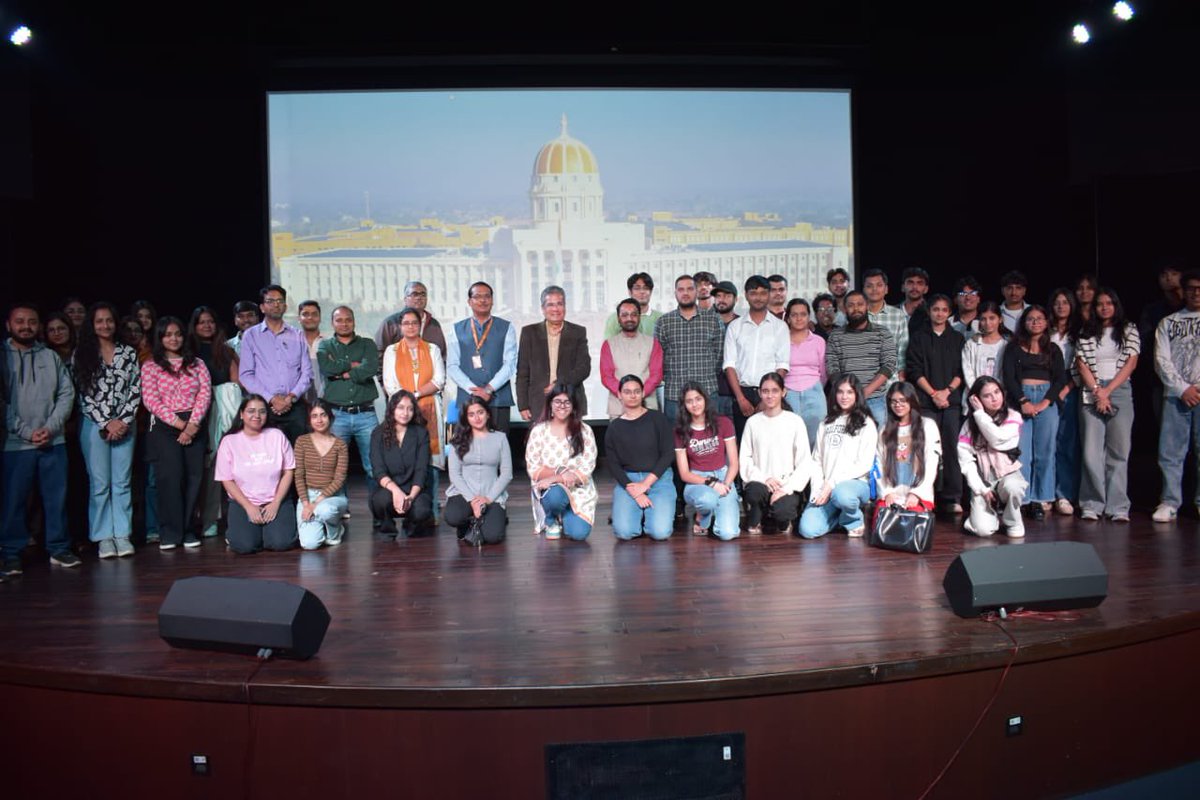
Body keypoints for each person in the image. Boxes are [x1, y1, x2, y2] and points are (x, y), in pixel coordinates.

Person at [2, 302, 79, 573]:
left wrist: (51, 427)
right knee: (15, 500)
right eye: (20, 321)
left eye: (32, 322)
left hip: (52, 439)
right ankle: (11, 553)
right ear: (9, 325)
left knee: (56, 498)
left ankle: (58, 548)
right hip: (15, 443)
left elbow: (66, 394)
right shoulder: (3, 356)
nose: (26, 326)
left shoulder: (50, 356)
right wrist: (25, 431)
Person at [73, 302, 141, 559]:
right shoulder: (82, 353)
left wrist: (122, 421)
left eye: (109, 320)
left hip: (125, 425)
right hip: (95, 426)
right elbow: (83, 393)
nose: (105, 325)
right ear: (92, 325)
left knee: (122, 482)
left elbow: (136, 389)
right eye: (99, 321)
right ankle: (103, 538)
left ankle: (122, 535)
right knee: (100, 485)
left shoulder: (129, 353)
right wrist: (106, 422)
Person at [141, 316, 212, 550]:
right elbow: (151, 400)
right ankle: (170, 532)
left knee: (194, 479)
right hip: (165, 427)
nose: (174, 338)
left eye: (178, 334)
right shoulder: (151, 365)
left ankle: (190, 529)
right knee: (170, 479)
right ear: (160, 338)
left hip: (195, 423)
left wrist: (192, 424)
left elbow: (204, 394)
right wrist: (179, 425)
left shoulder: (197, 364)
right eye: (168, 334)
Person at [1075, 287, 1140, 522]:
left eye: (1109, 303)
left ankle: (1118, 506)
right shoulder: (1086, 331)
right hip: (1092, 389)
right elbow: (1081, 363)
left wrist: (1107, 391)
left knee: (1118, 452)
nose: (1104, 307)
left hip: (1119, 390)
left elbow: (1131, 362)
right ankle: (1092, 503)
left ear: (1116, 305)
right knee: (1091, 452)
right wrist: (1097, 391)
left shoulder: (1129, 329)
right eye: (1100, 303)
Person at [1001, 305, 1066, 521]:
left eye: (1039, 319)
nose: (1035, 322)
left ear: (1046, 323)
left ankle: (1041, 499)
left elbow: (1060, 379)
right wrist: (1023, 401)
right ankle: (1024, 499)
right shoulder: (1013, 348)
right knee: (1023, 454)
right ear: (1024, 322)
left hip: (1046, 400)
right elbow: (1009, 377)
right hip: (1022, 399)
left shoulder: (1053, 349)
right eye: (1030, 319)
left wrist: (1045, 402)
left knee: (1045, 453)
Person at [382, 306, 447, 515]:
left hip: (429, 410)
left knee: (430, 461)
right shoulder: (391, 351)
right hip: (401, 412)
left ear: (420, 326)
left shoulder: (432, 349)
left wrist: (415, 395)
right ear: (400, 326)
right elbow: (390, 386)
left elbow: (439, 380)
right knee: (406, 458)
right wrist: (408, 402)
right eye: (406, 323)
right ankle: (405, 505)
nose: (411, 326)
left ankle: (433, 509)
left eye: (415, 323)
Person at [904, 293, 965, 513]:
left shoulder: (958, 338)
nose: (939, 313)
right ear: (929, 312)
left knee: (951, 448)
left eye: (944, 310)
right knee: (926, 449)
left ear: (949, 312)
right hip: (926, 401)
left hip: (951, 401)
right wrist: (933, 394)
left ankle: (952, 497)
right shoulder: (919, 337)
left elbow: (961, 371)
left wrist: (946, 392)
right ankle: (924, 495)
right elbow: (914, 369)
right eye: (935, 309)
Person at [798, 374, 878, 539]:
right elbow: (817, 460)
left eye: (849, 392)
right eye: (840, 392)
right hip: (826, 487)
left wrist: (832, 483)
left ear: (857, 395)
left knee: (842, 495)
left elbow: (864, 464)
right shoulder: (826, 422)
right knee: (808, 529)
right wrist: (818, 489)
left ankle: (854, 519)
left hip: (854, 486)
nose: (844, 396)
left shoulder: (866, 423)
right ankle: (841, 518)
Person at [215, 394, 297, 553]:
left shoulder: (277, 436)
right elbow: (226, 480)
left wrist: (276, 503)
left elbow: (288, 471)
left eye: (262, 411)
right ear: (241, 414)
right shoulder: (229, 441)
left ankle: (266, 531)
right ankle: (241, 531)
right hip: (243, 502)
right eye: (251, 411)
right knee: (245, 546)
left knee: (281, 543)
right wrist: (248, 506)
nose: (257, 416)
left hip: (276, 500)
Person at [188, 306, 241, 538]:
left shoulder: (226, 351)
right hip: (193, 412)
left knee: (214, 467)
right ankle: (191, 518)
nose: (207, 326)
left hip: (223, 411)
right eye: (201, 322)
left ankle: (211, 518)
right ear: (194, 325)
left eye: (210, 321)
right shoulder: (188, 350)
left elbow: (236, 382)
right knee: (195, 468)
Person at [1153, 269, 1200, 522]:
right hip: (1176, 395)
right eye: (1192, 288)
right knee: (1171, 452)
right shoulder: (1168, 323)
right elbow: (1161, 360)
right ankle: (1170, 501)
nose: (1196, 292)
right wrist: (1183, 388)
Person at [605, 375, 677, 541]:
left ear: (643, 393)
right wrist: (634, 491)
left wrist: (646, 484)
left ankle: (648, 514)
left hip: (658, 478)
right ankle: (639, 511)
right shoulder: (614, 428)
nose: (633, 395)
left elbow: (668, 454)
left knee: (660, 533)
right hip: (629, 481)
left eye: (637, 391)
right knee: (624, 532)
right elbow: (613, 464)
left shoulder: (657, 419)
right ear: (619, 394)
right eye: (627, 392)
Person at [238, 285, 312, 443]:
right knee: (266, 457)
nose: (276, 304)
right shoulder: (251, 336)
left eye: (280, 301)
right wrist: (272, 399)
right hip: (264, 406)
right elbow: (246, 375)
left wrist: (290, 398)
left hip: (294, 405)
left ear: (285, 306)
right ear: (262, 307)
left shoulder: (297, 335)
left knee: (297, 457)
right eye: (270, 301)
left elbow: (307, 373)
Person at [740, 372, 811, 535]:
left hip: (786, 484)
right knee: (754, 492)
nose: (770, 395)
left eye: (774, 390)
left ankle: (782, 519)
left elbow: (804, 462)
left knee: (783, 511)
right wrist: (764, 478)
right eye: (765, 391)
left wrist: (786, 488)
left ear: (783, 392)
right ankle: (758, 515)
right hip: (761, 482)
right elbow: (745, 458)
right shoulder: (753, 422)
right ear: (759, 393)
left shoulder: (795, 421)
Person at [526, 383, 598, 541]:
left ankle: (563, 516)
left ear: (573, 406)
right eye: (557, 401)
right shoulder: (539, 431)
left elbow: (587, 467)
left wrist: (557, 476)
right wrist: (559, 474)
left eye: (567, 402)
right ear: (550, 404)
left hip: (578, 489)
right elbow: (533, 468)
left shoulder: (585, 431)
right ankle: (551, 519)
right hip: (549, 489)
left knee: (578, 534)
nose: (562, 406)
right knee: (556, 495)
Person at [958, 376, 1027, 538]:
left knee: (1014, 487)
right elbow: (965, 459)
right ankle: (988, 515)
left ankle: (1013, 520)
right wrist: (981, 488)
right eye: (987, 395)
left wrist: (980, 414)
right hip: (984, 479)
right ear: (977, 399)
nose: (994, 398)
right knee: (982, 530)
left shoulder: (1012, 416)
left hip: (1008, 474)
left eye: (997, 392)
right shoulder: (969, 425)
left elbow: (997, 439)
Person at [723, 275, 789, 441]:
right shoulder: (735, 326)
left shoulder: (780, 327)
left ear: (768, 295)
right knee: (744, 445)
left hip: (770, 393)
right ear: (746, 295)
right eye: (753, 293)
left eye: (763, 293)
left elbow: (782, 366)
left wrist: (767, 397)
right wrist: (740, 399)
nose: (758, 298)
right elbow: (729, 365)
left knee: (771, 443)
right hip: (742, 394)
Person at [446, 281, 518, 433]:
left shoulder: (507, 327)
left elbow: (510, 364)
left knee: (499, 447)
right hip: (468, 399)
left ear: (492, 300)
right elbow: (452, 365)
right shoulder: (456, 329)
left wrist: (489, 389)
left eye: (487, 296)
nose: (483, 300)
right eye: (478, 297)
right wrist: (473, 390)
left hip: (498, 398)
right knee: (467, 448)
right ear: (469, 301)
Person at [318, 305, 379, 479]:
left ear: (354, 321)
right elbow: (327, 368)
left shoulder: (367, 344)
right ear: (332, 323)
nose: (344, 324)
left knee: (373, 468)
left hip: (366, 414)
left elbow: (371, 368)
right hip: (337, 414)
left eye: (348, 320)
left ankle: (377, 506)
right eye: (339, 320)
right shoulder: (325, 345)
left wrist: (342, 374)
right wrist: (353, 365)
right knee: (337, 470)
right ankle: (340, 506)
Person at [674, 382, 740, 540]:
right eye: (689, 401)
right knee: (707, 500)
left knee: (728, 534)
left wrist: (726, 484)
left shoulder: (723, 423)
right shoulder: (680, 430)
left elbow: (734, 463)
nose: (695, 404)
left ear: (705, 400)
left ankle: (715, 512)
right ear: (684, 405)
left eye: (698, 399)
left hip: (724, 475)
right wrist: (711, 483)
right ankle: (703, 515)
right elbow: (684, 474)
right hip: (697, 479)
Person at [654, 274, 725, 421]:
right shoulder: (664, 322)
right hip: (674, 394)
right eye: (681, 289)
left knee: (709, 439)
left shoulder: (713, 319)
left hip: (707, 391)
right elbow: (658, 358)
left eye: (690, 289)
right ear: (675, 293)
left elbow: (719, 355)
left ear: (696, 292)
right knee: (675, 441)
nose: (685, 293)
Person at [444, 396, 513, 545]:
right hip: (464, 493)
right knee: (453, 516)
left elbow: (507, 474)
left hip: (491, 494)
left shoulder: (500, 438)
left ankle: (489, 518)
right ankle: (467, 522)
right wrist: (473, 500)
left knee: (493, 537)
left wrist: (488, 499)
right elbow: (455, 475)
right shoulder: (458, 439)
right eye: (471, 414)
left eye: (480, 412)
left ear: (488, 413)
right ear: (466, 418)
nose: (477, 418)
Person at [516, 285, 591, 422]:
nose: (555, 309)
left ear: (565, 307)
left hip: (570, 402)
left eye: (559, 304)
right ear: (543, 309)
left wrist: (559, 384)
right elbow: (522, 372)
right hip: (538, 404)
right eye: (550, 305)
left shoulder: (578, 332)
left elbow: (584, 368)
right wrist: (523, 405)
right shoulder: (529, 333)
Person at [825, 289, 897, 426]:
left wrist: (864, 392)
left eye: (860, 304)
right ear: (845, 309)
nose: (856, 308)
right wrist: (848, 393)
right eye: (851, 305)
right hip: (845, 401)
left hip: (875, 399)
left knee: (877, 444)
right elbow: (831, 367)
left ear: (867, 306)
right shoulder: (836, 335)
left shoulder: (882, 333)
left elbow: (889, 365)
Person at [369, 390, 433, 535]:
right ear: (392, 409)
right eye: (401, 407)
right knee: (380, 501)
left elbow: (421, 470)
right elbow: (378, 471)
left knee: (422, 510)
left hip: (414, 489)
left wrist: (410, 496)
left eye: (410, 409)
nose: (405, 413)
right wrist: (397, 492)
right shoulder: (378, 433)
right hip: (389, 489)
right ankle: (387, 529)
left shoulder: (420, 433)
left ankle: (410, 525)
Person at [875, 381, 941, 513]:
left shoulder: (928, 425)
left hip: (917, 495)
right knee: (885, 525)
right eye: (893, 401)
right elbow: (878, 462)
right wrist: (887, 492)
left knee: (911, 525)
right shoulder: (884, 429)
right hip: (891, 495)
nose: (898, 405)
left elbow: (931, 463)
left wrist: (917, 493)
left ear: (911, 400)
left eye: (902, 400)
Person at [292, 400, 348, 549]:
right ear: (309, 420)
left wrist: (316, 504)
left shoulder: (340, 445)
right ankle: (321, 524)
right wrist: (306, 503)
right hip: (308, 496)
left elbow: (339, 479)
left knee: (326, 510)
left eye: (323, 415)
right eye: (314, 416)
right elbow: (298, 475)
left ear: (330, 417)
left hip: (333, 497)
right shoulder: (302, 442)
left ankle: (335, 531)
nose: (319, 420)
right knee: (309, 544)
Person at [1047, 287, 1081, 516]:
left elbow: (1080, 364)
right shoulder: (1045, 331)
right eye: (1057, 302)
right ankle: (1046, 493)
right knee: (1046, 445)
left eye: (1065, 302)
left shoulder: (1079, 332)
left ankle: (1064, 494)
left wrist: (1066, 388)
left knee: (1066, 445)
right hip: (1045, 391)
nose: (1061, 306)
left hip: (1069, 390)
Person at [599, 298, 663, 418]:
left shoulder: (653, 343)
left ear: (639, 317)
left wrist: (639, 394)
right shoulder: (609, 344)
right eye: (624, 315)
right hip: (619, 408)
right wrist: (626, 394)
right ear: (618, 318)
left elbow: (656, 375)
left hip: (647, 406)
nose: (629, 318)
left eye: (634, 315)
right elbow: (607, 376)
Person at [374, 281, 447, 372]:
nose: (419, 297)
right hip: (398, 382)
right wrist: (384, 383)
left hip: (429, 383)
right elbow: (378, 354)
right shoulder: (390, 323)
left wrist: (439, 383)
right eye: (414, 294)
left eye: (423, 294)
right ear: (405, 299)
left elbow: (442, 356)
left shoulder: (434, 324)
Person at [783, 298, 827, 446]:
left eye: (803, 314)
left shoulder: (819, 341)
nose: (799, 318)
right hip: (788, 392)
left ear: (809, 317)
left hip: (814, 391)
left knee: (816, 440)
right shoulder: (780, 341)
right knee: (790, 440)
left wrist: (814, 387)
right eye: (794, 315)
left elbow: (824, 372)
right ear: (788, 318)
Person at [961, 301, 1009, 413]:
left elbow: (1005, 374)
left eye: (992, 318)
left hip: (998, 401)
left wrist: (995, 394)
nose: (987, 323)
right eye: (983, 319)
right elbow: (967, 371)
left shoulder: (1006, 345)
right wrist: (979, 392)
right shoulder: (971, 344)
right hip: (974, 399)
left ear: (1000, 319)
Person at [862, 268, 909, 381]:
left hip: (890, 383)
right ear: (863, 289)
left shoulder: (898, 316)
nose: (874, 289)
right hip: (861, 383)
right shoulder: (856, 315)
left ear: (886, 289)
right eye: (869, 286)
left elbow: (902, 351)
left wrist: (901, 381)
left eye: (879, 285)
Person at [711, 281, 740, 415]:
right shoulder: (705, 323)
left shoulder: (743, 324)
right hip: (711, 390)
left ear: (736, 299)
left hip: (737, 391)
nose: (722, 300)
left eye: (727, 296)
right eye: (718, 296)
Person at [603, 273, 661, 338]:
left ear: (651, 292)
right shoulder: (615, 318)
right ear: (630, 292)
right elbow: (608, 345)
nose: (642, 292)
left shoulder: (661, 318)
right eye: (637, 288)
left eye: (646, 288)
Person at [298, 300, 325, 405]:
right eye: (305, 314)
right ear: (299, 318)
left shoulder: (329, 343)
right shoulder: (291, 344)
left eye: (314, 314)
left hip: (326, 402)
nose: (310, 318)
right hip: (298, 402)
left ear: (320, 318)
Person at [900, 266, 931, 333]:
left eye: (920, 283)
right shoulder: (890, 312)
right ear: (903, 287)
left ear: (926, 289)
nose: (914, 287)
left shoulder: (931, 313)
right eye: (910, 283)